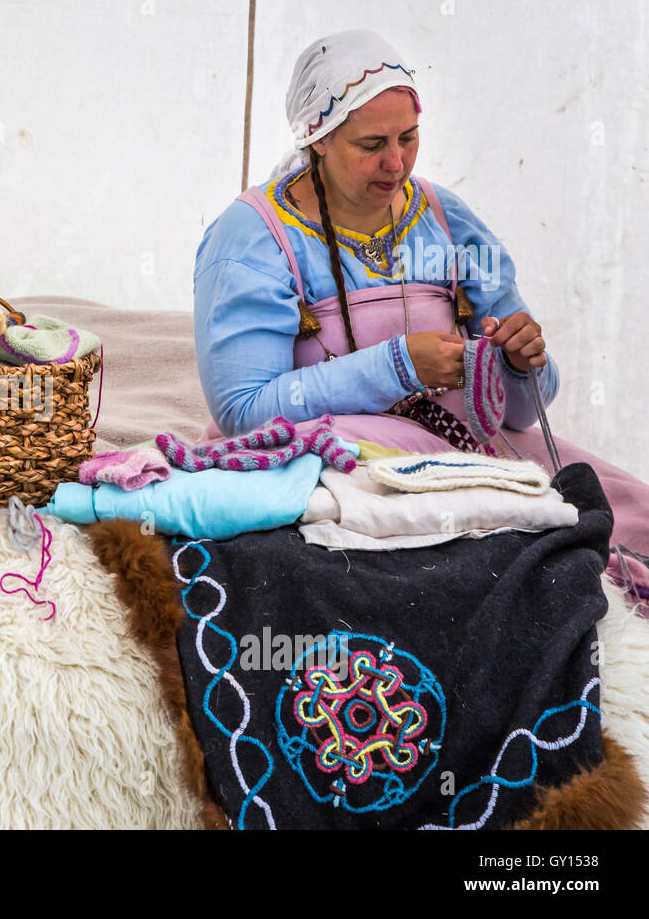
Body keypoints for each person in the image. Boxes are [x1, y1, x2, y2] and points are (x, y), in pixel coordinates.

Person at [192, 29, 649, 601]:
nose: (396, 162)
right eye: (371, 144)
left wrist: (517, 361)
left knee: (622, 522)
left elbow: (525, 410)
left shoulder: (445, 217)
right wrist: (399, 366)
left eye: (409, 138)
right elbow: (244, 415)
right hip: (342, 461)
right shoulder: (254, 240)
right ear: (319, 139)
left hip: (468, 451)